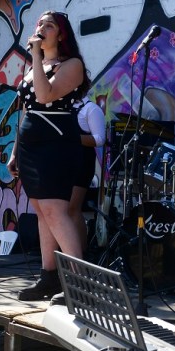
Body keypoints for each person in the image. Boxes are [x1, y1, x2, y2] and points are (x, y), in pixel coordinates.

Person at [7, 10, 90, 301]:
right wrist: (15, 152)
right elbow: (27, 111)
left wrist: (36, 55)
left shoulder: (72, 64)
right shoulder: (36, 67)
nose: (42, 28)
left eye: (49, 25)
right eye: (40, 23)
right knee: (42, 212)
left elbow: (44, 97)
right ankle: (49, 277)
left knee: (56, 210)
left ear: (62, 34)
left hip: (56, 143)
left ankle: (80, 283)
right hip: (30, 145)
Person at [69, 96, 106, 248]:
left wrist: (71, 138)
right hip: (62, 164)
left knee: (72, 208)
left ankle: (80, 253)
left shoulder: (91, 109)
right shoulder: (63, 107)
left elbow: (100, 139)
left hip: (81, 164)